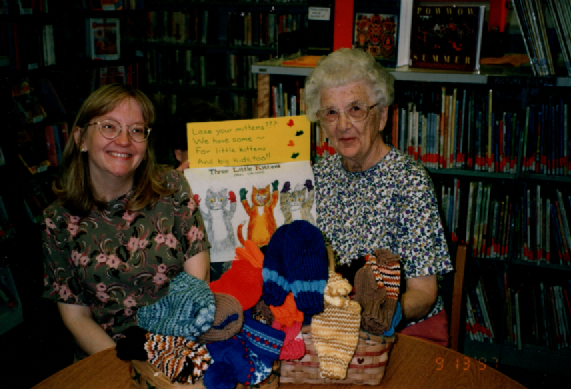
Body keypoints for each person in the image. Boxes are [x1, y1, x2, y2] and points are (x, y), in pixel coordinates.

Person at [41, 83, 211, 359]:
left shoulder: (173, 187)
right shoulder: (57, 220)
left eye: (136, 130)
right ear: (81, 138)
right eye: (109, 127)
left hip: (183, 344)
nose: (123, 140)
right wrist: (125, 364)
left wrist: (168, 354)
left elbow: (198, 280)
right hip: (106, 358)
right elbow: (76, 317)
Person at [304, 48, 453, 346]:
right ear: (321, 123)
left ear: (382, 115)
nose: (343, 125)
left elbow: (424, 294)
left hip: (402, 332)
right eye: (331, 112)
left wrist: (383, 315)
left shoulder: (410, 182)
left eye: (356, 109)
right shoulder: (316, 177)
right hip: (333, 330)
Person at [170, 98, 241, 281]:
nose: (211, 159)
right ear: (178, 153)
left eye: (219, 151)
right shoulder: (163, 196)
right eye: (202, 150)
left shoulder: (234, 189)